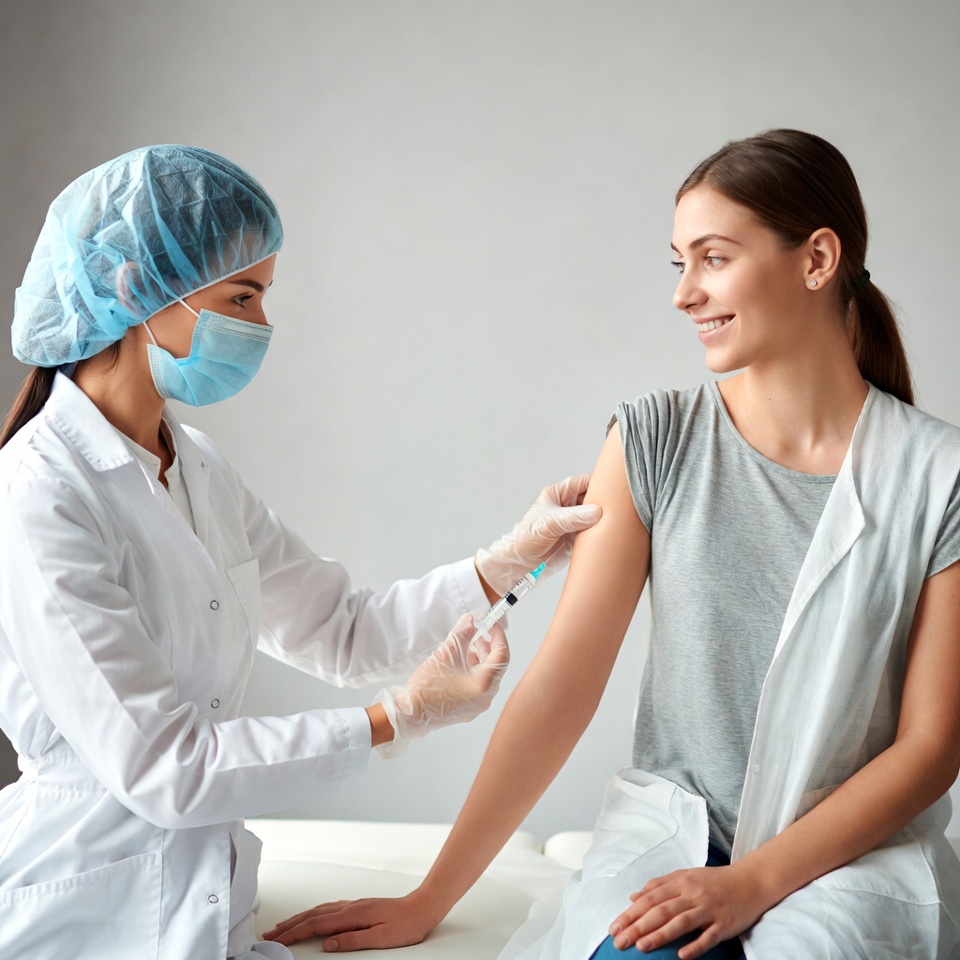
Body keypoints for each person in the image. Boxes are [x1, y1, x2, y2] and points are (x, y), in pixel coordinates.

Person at [264, 129, 960, 959]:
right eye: (680, 263)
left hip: (843, 858)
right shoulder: (653, 440)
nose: (684, 294)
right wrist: (428, 899)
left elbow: (930, 748)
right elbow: (561, 688)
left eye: (713, 258)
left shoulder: (937, 476)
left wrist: (752, 881)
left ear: (816, 260)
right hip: (679, 837)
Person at [0, 144, 601, 960]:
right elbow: (167, 770)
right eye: (241, 297)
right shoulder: (39, 492)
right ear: (135, 289)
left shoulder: (196, 466)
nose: (260, 327)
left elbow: (343, 632)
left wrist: (509, 559)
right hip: (87, 913)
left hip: (209, 902)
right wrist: (396, 718)